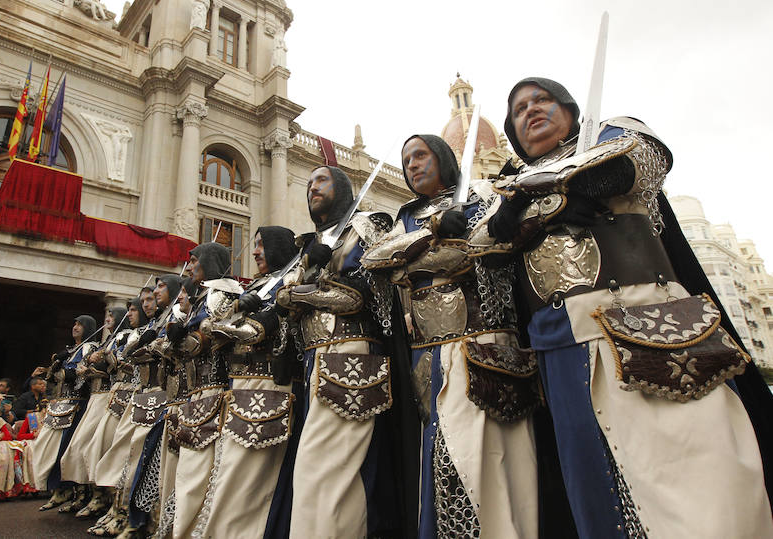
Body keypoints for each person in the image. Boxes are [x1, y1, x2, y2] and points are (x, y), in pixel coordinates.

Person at [493, 77, 773, 537]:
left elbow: (637, 159)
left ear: (569, 109)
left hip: (650, 322)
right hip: (562, 342)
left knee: (700, 470)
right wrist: (531, 202)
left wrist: (555, 190)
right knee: (599, 485)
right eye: (520, 108)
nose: (531, 110)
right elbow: (485, 236)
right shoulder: (505, 186)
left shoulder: (610, 132)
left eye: (542, 99)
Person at [360, 134, 539, 538]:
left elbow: (486, 245)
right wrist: (433, 233)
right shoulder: (407, 216)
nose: (412, 165)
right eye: (406, 159)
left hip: (484, 340)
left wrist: (414, 260)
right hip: (427, 353)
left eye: (420, 155)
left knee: (489, 457)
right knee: (442, 456)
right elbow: (376, 259)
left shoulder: (481, 193)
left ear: (441, 157)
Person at [276, 165, 401, 537]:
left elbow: (368, 295)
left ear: (342, 188)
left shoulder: (366, 225)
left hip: (352, 352)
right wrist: (306, 277)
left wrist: (307, 286)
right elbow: (284, 303)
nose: (313, 188)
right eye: (309, 182)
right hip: (313, 356)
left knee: (335, 468)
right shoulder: (307, 246)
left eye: (322, 181)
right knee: (312, 467)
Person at [194, 226, 303, 538]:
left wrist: (236, 322)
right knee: (228, 472)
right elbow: (215, 329)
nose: (255, 252)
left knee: (250, 478)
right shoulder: (255, 287)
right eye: (254, 245)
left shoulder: (289, 280)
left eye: (261, 245)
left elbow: (257, 331)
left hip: (273, 386)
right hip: (239, 387)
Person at [166, 243, 236, 539]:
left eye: (194, 260)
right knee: (189, 472)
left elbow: (202, 341)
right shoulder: (202, 296)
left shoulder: (219, 294)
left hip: (214, 391)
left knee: (201, 472)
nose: (190, 266)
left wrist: (180, 341)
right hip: (196, 392)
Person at [88, 288, 160, 536]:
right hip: (133, 395)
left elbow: (131, 363)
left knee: (132, 455)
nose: (131, 313)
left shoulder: (161, 325)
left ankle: (136, 518)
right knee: (117, 452)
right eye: (135, 306)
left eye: (136, 307)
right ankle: (115, 509)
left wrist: (113, 359)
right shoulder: (131, 334)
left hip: (153, 396)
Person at [119, 274, 187, 538]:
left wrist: (153, 345)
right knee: (139, 455)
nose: (156, 294)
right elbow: (130, 354)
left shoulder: (179, 315)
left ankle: (158, 523)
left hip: (172, 395)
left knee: (161, 462)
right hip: (155, 394)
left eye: (160, 287)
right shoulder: (159, 320)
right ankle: (134, 517)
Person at [77, 297, 148, 520]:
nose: (128, 315)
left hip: (129, 393)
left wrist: (107, 358)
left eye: (132, 310)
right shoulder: (115, 339)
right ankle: (99, 498)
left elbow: (129, 364)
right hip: (113, 394)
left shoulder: (132, 335)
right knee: (94, 447)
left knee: (114, 450)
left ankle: (117, 505)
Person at [59, 307, 130, 513]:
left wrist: (95, 365)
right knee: (80, 446)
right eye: (106, 316)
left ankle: (102, 497)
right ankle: (83, 494)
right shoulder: (105, 342)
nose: (107, 319)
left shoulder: (124, 338)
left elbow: (118, 366)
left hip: (110, 397)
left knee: (96, 447)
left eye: (111, 316)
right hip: (96, 398)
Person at [30, 315, 98, 511]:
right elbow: (53, 377)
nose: (75, 327)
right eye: (74, 324)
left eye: (79, 324)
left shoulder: (90, 349)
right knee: (46, 447)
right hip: (59, 404)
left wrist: (59, 370)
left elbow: (76, 374)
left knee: (69, 450)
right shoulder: (68, 351)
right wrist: (54, 367)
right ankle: (60, 490)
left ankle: (76, 494)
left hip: (77, 404)